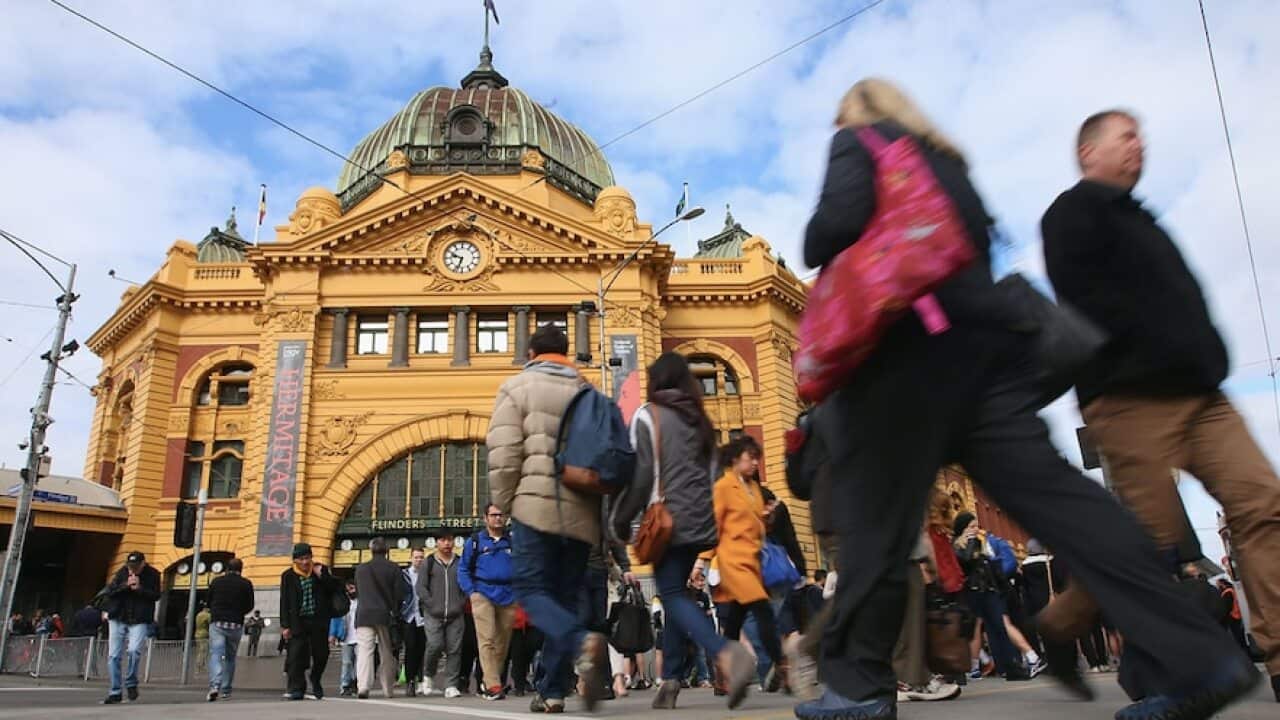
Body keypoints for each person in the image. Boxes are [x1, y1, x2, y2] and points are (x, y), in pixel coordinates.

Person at [794, 77, 1259, 720]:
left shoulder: (862, 140)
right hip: (988, 354)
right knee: (1071, 508)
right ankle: (1203, 656)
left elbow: (832, 229)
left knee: (876, 529)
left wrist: (821, 239)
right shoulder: (948, 161)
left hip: (902, 358)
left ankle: (855, 692)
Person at [1041, 108, 1280, 704]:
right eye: (1126, 136)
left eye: (1141, 136)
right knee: (1150, 546)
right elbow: (1083, 298)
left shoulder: (1145, 220)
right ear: (1088, 152)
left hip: (1202, 396)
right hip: (1129, 397)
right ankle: (1063, 623)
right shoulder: (1071, 214)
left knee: (1264, 506)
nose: (1139, 146)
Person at [610, 351, 755, 710]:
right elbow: (710, 476)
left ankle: (725, 653)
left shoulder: (648, 415)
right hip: (702, 521)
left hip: (667, 520)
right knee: (677, 596)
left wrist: (620, 517)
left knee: (672, 592)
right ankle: (671, 680)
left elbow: (642, 475)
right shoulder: (701, 422)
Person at [486, 324, 610, 714]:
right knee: (565, 600)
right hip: (582, 513)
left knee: (531, 590)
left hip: (534, 508)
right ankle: (552, 691)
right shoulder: (589, 390)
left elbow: (505, 454)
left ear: (531, 351)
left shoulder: (516, 388)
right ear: (566, 351)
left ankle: (579, 642)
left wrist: (506, 504)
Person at [691, 436, 783, 706]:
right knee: (762, 609)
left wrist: (766, 517)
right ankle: (781, 665)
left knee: (733, 624)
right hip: (733, 561)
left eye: (757, 457)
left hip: (754, 561)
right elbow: (714, 526)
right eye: (750, 457)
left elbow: (754, 524)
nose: (755, 462)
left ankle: (729, 674)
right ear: (735, 459)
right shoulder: (722, 486)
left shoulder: (754, 487)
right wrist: (701, 560)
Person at [952, 512, 1029, 681]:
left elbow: (989, 565)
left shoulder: (981, 543)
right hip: (970, 591)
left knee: (1000, 626)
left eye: (976, 526)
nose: (975, 529)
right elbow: (966, 561)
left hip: (988, 589)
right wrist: (972, 542)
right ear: (962, 528)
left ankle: (1012, 666)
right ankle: (969, 668)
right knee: (970, 630)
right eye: (971, 526)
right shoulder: (957, 544)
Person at [458, 503, 517, 701]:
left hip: (508, 594)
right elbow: (463, 568)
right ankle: (493, 684)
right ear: (485, 518)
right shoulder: (475, 541)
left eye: (501, 515)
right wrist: (471, 592)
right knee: (487, 639)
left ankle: (488, 681)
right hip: (482, 592)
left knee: (503, 642)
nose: (498, 518)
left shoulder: (513, 541)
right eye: (493, 515)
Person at [279, 542, 343, 701]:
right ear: (295, 560)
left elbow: (335, 588)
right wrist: (285, 625)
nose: (305, 562)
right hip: (298, 621)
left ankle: (315, 679)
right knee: (296, 656)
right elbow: (284, 601)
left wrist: (323, 576)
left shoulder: (320, 571)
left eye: (307, 558)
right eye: (301, 559)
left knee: (322, 654)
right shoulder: (288, 576)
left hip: (319, 620)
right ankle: (297, 688)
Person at [101, 550, 161, 705]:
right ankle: (115, 691)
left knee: (134, 650)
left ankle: (131, 682)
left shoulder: (153, 574)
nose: (133, 569)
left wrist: (139, 589)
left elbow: (156, 595)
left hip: (139, 619)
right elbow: (110, 592)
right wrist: (125, 586)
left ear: (143, 564)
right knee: (114, 656)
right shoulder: (121, 572)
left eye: (136, 566)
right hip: (118, 617)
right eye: (130, 566)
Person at [418, 533, 466, 699]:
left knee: (455, 650)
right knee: (434, 645)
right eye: (443, 540)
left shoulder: (460, 562)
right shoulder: (428, 562)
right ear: (437, 542)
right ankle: (428, 675)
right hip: (433, 614)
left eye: (450, 540)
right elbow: (421, 588)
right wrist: (431, 604)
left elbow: (466, 585)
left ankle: (451, 685)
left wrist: (461, 603)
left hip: (455, 614)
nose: (447, 543)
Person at [354, 537, 402, 699]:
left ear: (371, 550)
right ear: (386, 551)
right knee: (386, 653)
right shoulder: (393, 568)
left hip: (364, 614)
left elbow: (359, 592)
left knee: (364, 651)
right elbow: (400, 593)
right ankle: (387, 689)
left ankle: (363, 687)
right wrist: (394, 610)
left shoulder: (361, 569)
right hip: (384, 614)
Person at [205, 558, 254, 702]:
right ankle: (226, 690)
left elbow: (208, 601)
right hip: (235, 624)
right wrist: (239, 613)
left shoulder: (216, 582)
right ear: (241, 569)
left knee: (216, 655)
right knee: (230, 658)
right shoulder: (246, 584)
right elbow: (250, 605)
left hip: (218, 623)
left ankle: (215, 685)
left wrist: (215, 609)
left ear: (227, 568)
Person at [400, 546, 427, 696]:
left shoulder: (427, 575)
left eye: (421, 557)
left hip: (423, 617)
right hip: (409, 617)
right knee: (410, 648)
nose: (419, 560)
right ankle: (410, 681)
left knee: (422, 650)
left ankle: (420, 680)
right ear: (411, 558)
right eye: (416, 557)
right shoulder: (404, 575)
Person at [330, 580, 359, 696]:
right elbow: (335, 618)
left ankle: (356, 683)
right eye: (347, 589)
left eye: (352, 588)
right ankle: (345, 685)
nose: (349, 591)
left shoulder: (361, 602)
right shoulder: (341, 602)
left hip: (359, 636)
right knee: (347, 662)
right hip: (346, 637)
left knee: (359, 663)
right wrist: (332, 634)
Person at [1217, 578, 1250, 654]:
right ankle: (1246, 653)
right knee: (1240, 636)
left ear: (1222, 584)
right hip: (1237, 615)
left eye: (1218, 584)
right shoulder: (1232, 590)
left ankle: (1242, 654)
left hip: (1233, 616)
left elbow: (1227, 606)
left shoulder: (1227, 592)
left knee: (1237, 637)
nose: (1217, 585)